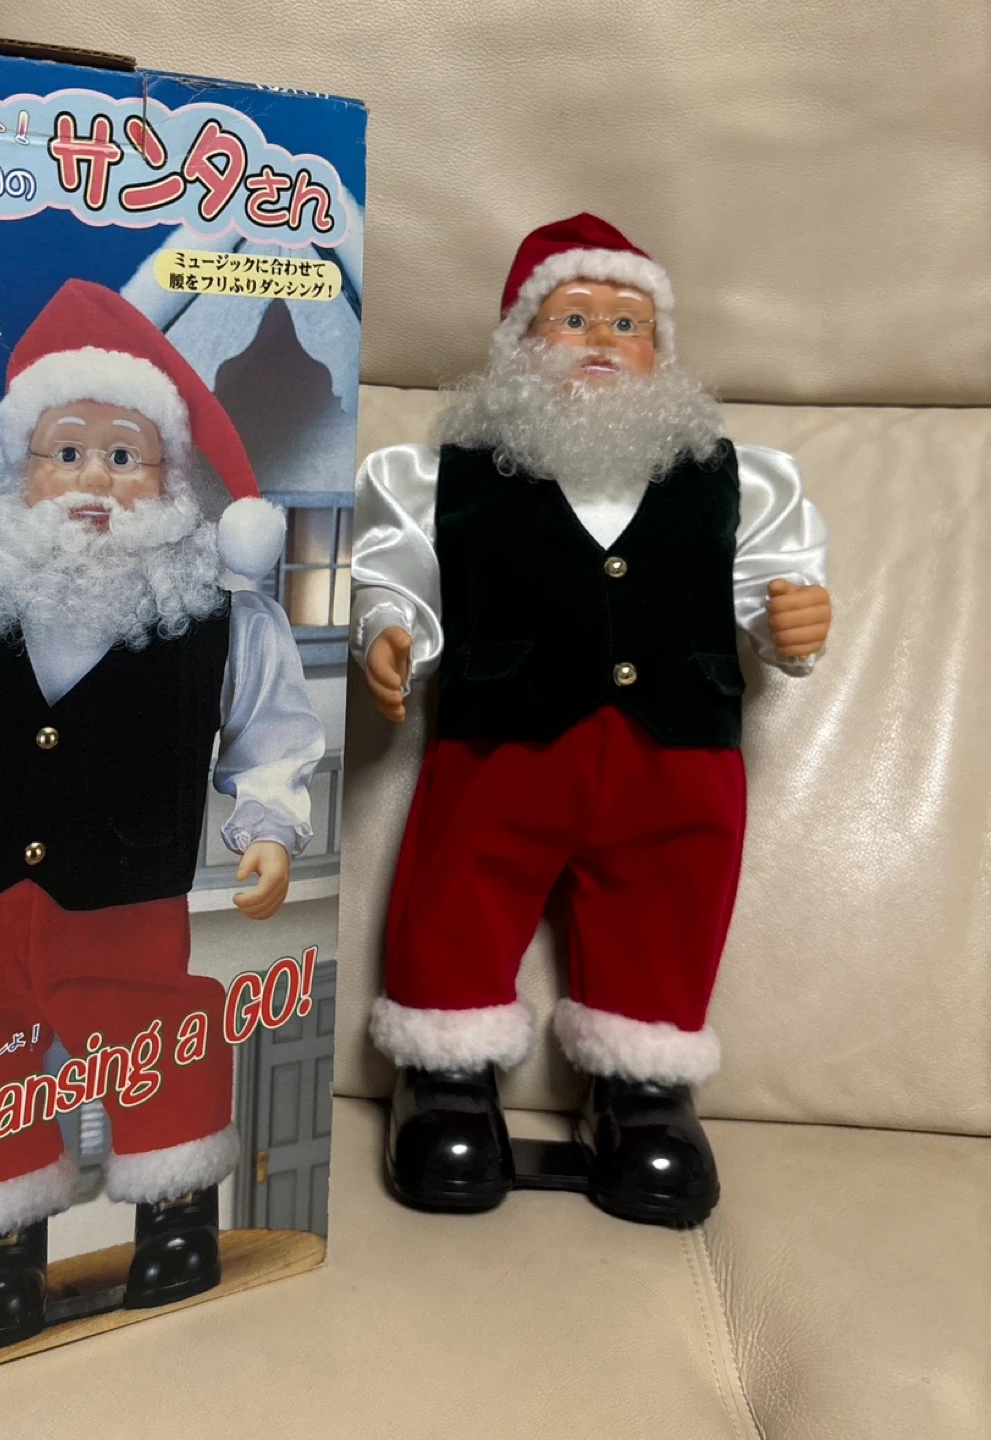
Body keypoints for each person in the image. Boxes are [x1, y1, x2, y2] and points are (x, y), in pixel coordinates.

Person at [0, 279, 324, 1353]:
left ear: (171, 480)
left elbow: (273, 742)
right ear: (21, 471)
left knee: (156, 1036)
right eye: (68, 451)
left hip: (119, 901)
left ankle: (176, 1216)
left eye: (125, 456)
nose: (95, 479)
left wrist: (269, 831)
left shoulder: (225, 626)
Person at [351, 214, 831, 1226]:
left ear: (663, 353)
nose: (604, 340)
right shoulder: (444, 478)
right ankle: (445, 1073)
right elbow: (398, 573)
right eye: (573, 319)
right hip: (500, 744)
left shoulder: (738, 480)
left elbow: (772, 578)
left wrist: (790, 615)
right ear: (518, 346)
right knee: (459, 886)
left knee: (669, 904)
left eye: (629, 323)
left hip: (678, 754)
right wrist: (391, 631)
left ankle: (642, 1089)